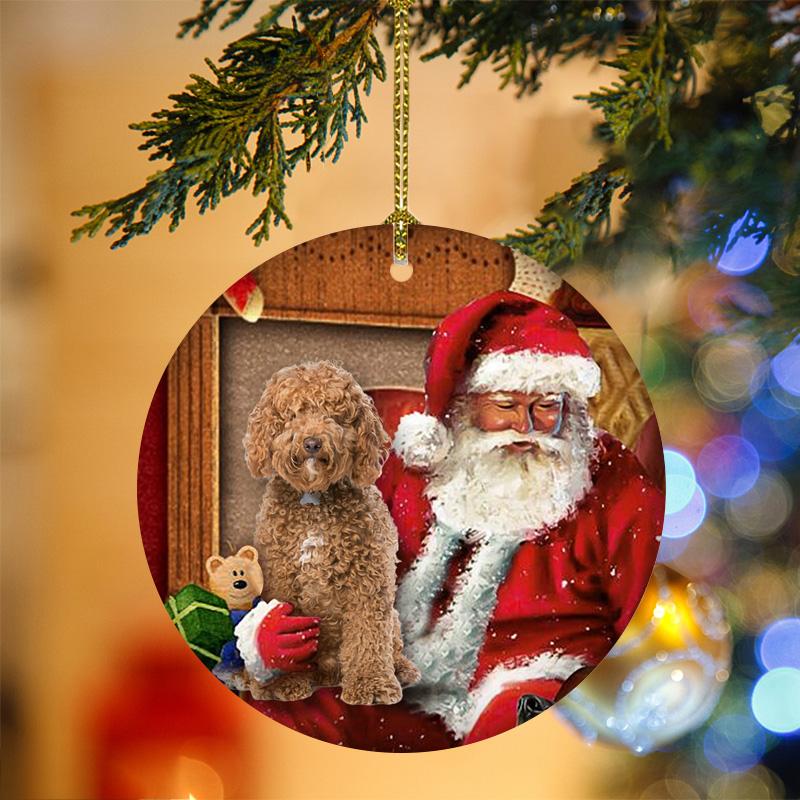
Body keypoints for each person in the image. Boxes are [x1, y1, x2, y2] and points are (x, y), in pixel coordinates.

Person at [238, 290, 664, 750]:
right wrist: (270, 636)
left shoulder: (610, 481)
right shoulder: (411, 466)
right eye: (505, 405)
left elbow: (649, 621)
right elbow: (332, 576)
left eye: (547, 406)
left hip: (536, 679)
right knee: (282, 714)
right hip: (401, 678)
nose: (528, 426)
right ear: (466, 403)